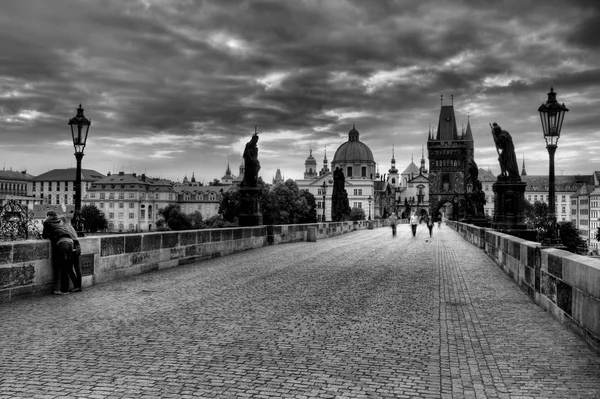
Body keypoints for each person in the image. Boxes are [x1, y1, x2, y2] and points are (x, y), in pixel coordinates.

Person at [42, 211, 74, 295]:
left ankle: (64, 290)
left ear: (48, 216)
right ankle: (66, 288)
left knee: (62, 268)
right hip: (70, 242)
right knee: (66, 267)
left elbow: (44, 235)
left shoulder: (47, 222)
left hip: (62, 244)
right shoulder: (60, 221)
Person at [60, 216, 82, 293]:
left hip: (72, 247)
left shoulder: (64, 229)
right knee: (77, 268)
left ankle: (76, 286)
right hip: (78, 246)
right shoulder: (71, 228)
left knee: (69, 268)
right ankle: (79, 286)